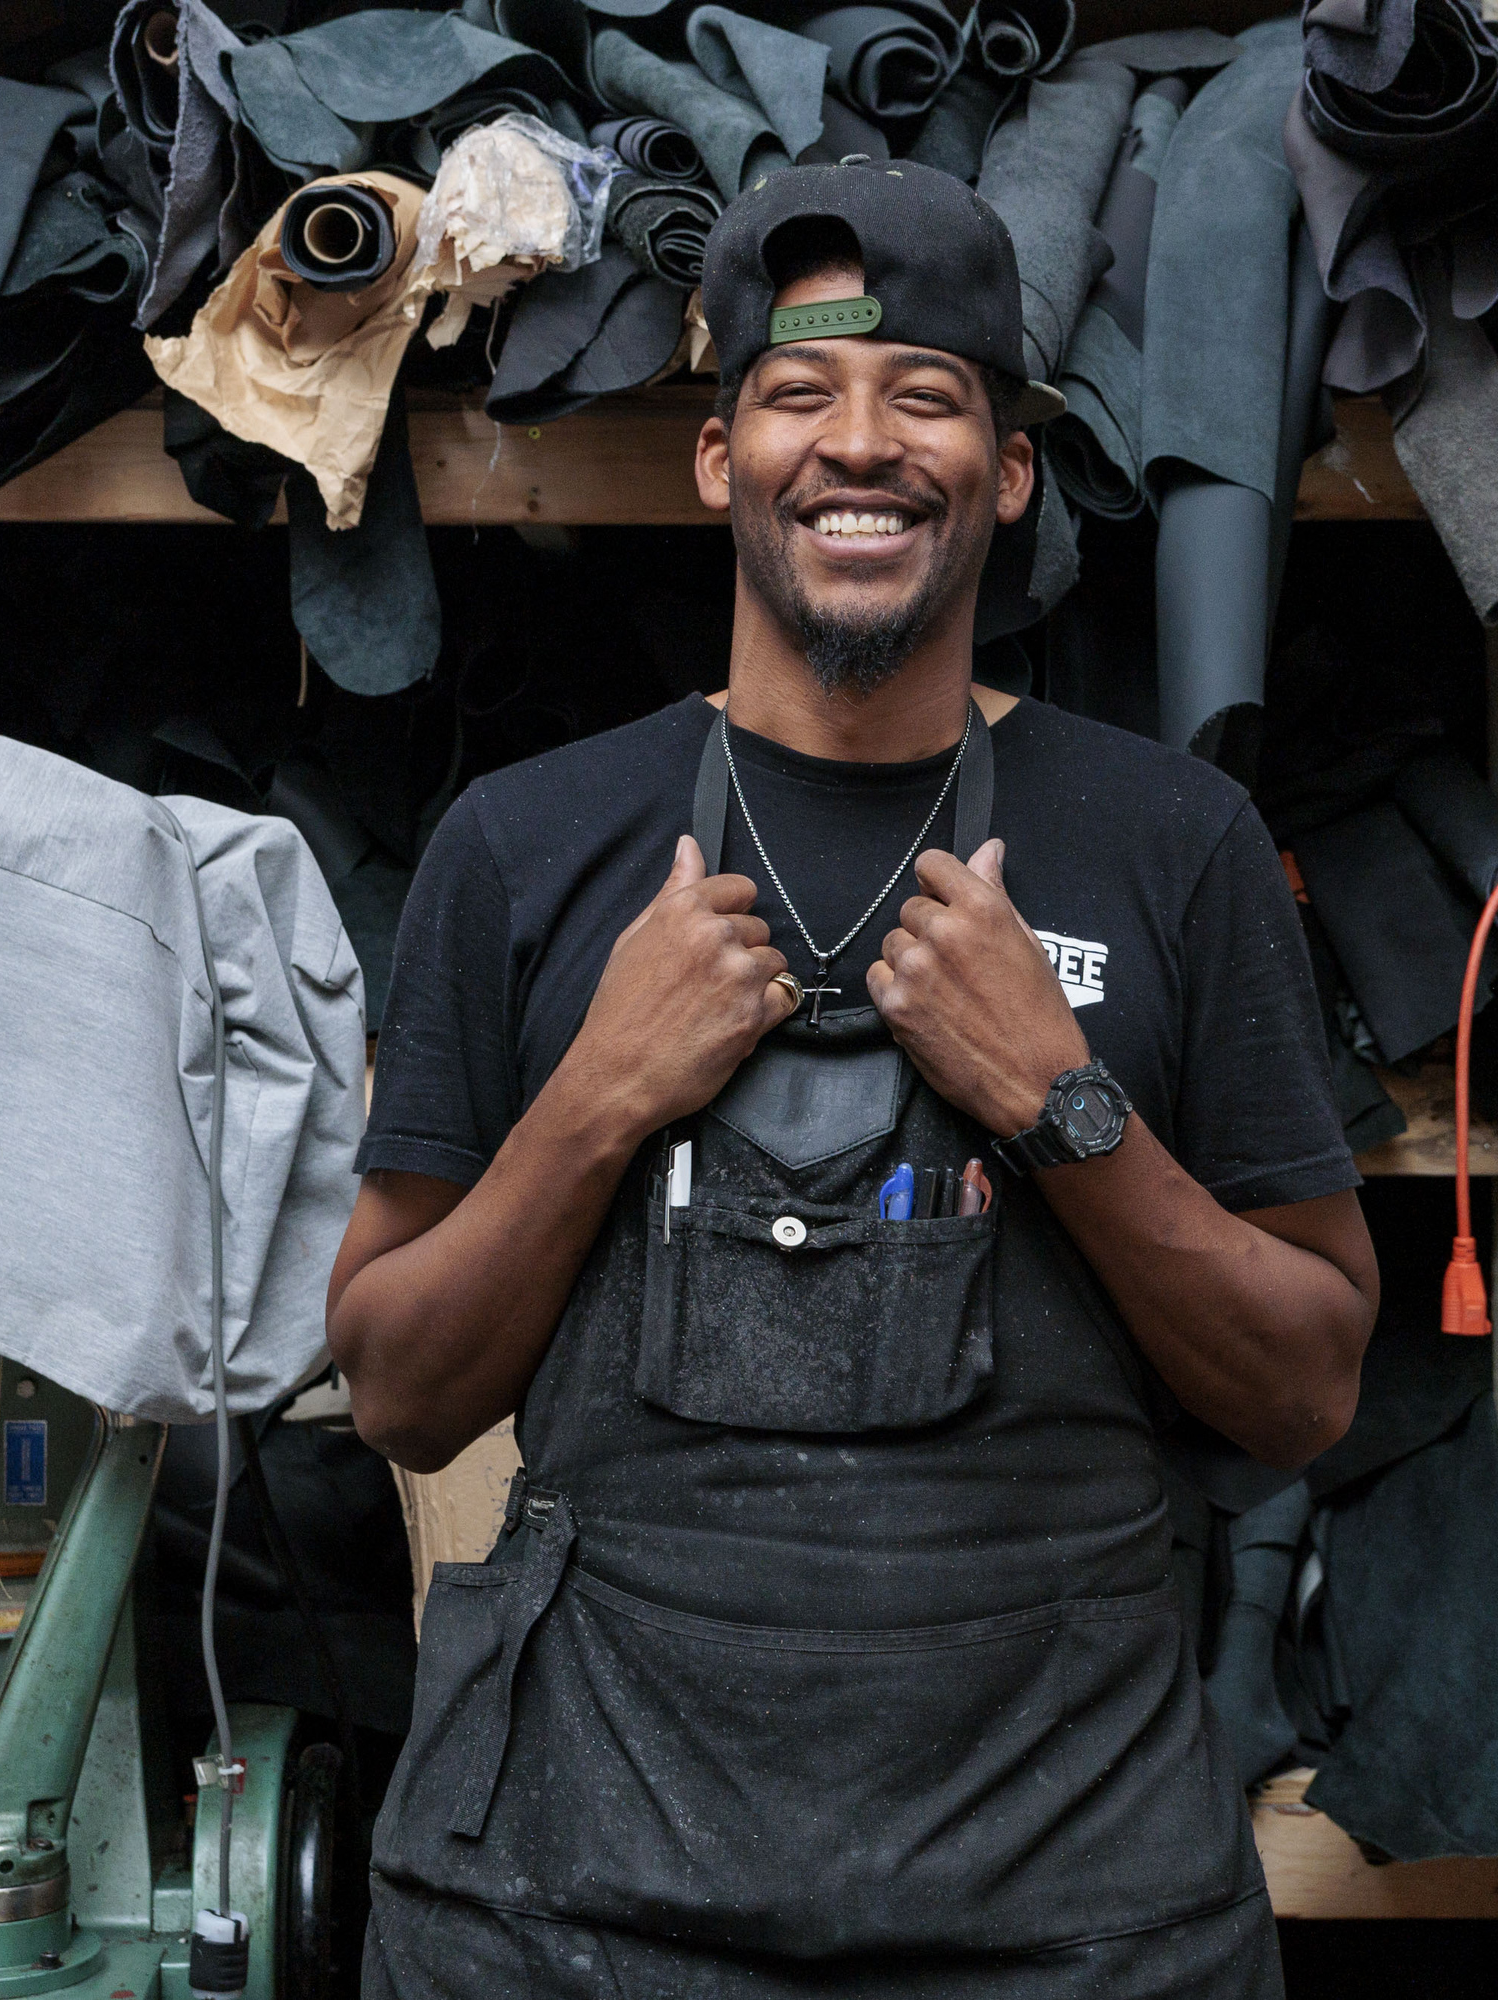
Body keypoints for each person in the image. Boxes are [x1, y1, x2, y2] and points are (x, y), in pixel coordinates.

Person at [326, 157, 1379, 1998]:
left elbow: (1305, 1389)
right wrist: (600, 1095)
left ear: (1013, 470)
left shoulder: (1174, 846)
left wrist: (1060, 1106)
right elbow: (400, 1391)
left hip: (1069, 1918)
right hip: (574, 1914)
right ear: (718, 457)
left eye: (929, 396)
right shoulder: (525, 847)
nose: (862, 444)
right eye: (800, 392)